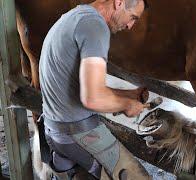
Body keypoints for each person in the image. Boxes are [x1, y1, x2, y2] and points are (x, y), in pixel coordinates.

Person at [39, 0, 150, 179]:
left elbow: (86, 88)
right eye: (132, 17)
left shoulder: (74, 17)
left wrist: (129, 95)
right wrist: (128, 105)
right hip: (76, 134)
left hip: (54, 130)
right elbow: (92, 98)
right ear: (119, 2)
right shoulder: (95, 27)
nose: (130, 26)